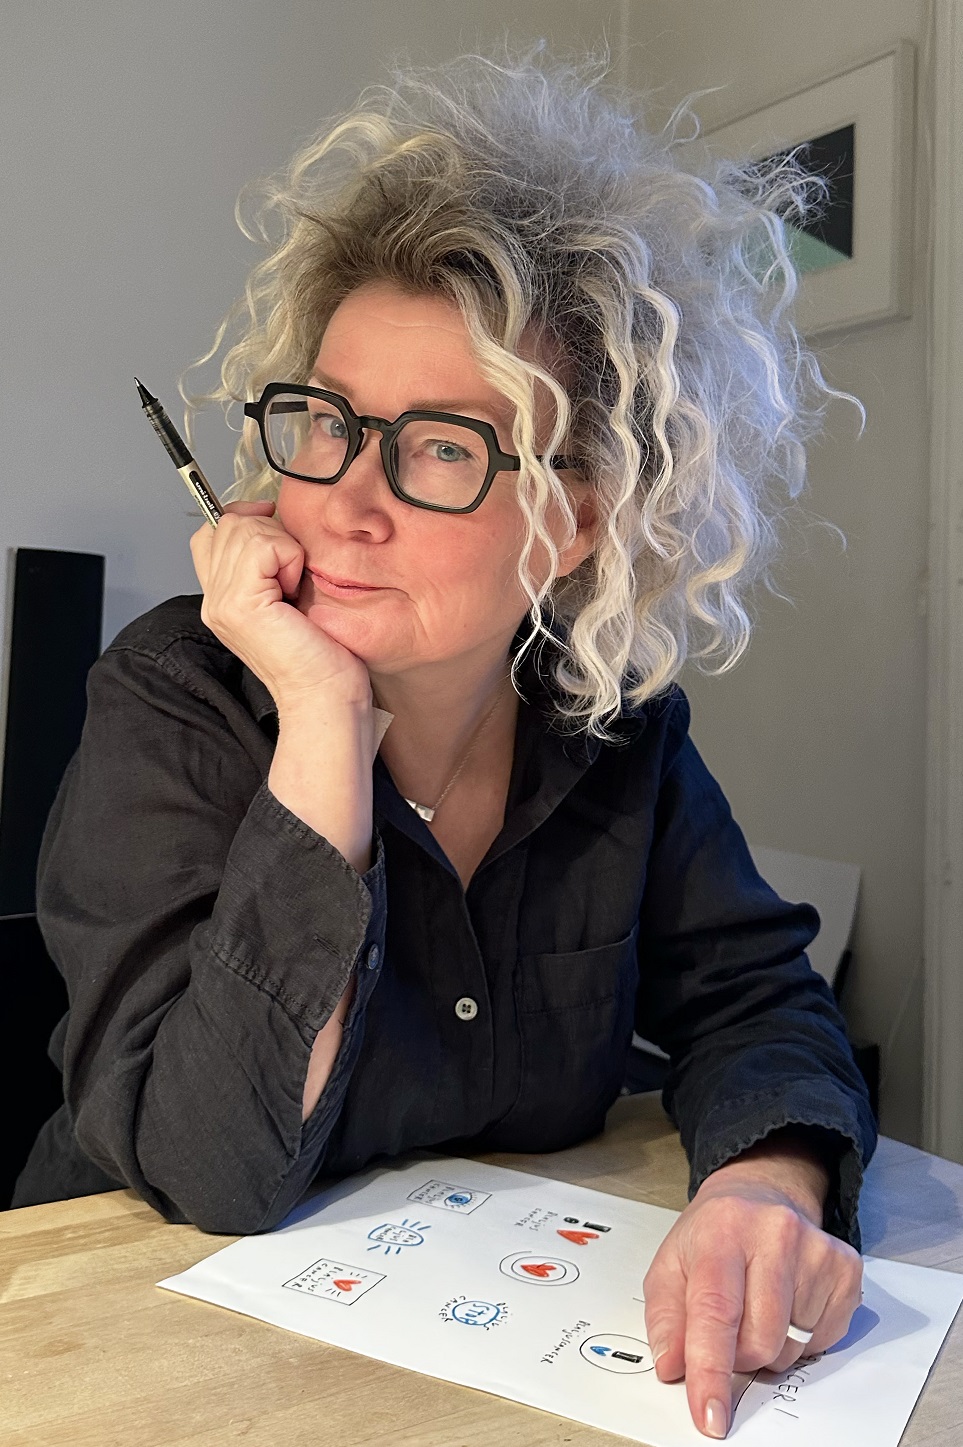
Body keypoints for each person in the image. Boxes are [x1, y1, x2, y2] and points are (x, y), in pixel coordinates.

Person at [15, 50, 875, 1440]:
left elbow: (758, 1002)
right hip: (144, 1361)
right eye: (329, 423)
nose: (347, 500)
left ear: (578, 522)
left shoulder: (611, 729)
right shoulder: (174, 702)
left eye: (440, 449)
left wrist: (764, 1187)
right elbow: (211, 1171)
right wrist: (322, 720)